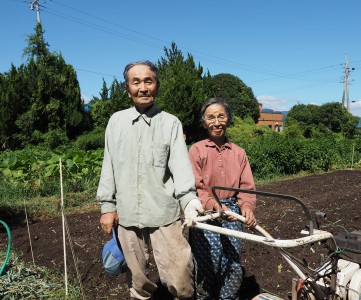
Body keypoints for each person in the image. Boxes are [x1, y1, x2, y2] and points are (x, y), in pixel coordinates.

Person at [97, 60, 204, 300]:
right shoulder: (116, 122)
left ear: (156, 86)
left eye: (149, 81)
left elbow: (180, 166)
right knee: (137, 279)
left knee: (180, 277)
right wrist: (107, 207)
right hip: (127, 215)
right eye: (136, 82)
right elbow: (109, 167)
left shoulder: (171, 123)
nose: (143, 87)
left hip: (164, 214)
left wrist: (189, 201)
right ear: (127, 88)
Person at [188, 97, 257, 300]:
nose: (216, 122)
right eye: (211, 117)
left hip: (233, 212)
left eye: (221, 116)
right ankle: (204, 297)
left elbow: (247, 186)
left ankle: (228, 297)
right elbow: (197, 187)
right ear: (203, 122)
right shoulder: (196, 150)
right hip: (205, 213)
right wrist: (215, 207)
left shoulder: (239, 153)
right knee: (206, 261)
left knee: (232, 261)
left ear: (228, 119)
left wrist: (247, 207)